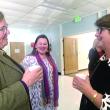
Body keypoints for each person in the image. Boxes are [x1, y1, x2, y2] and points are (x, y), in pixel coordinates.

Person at [0, 11, 43, 110]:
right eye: (3, 29)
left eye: (6, 27)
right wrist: (25, 83)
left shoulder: (2, 53)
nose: (8, 32)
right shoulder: (29, 57)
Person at [73, 14, 110, 110]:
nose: (96, 34)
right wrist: (88, 82)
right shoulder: (103, 59)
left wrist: (87, 90)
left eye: (100, 29)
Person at [21, 34, 59, 110]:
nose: (42, 46)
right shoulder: (29, 59)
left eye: (45, 44)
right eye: (40, 44)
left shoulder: (51, 59)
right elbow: (22, 75)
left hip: (51, 94)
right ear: (35, 46)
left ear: (48, 46)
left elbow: (54, 77)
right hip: (36, 95)